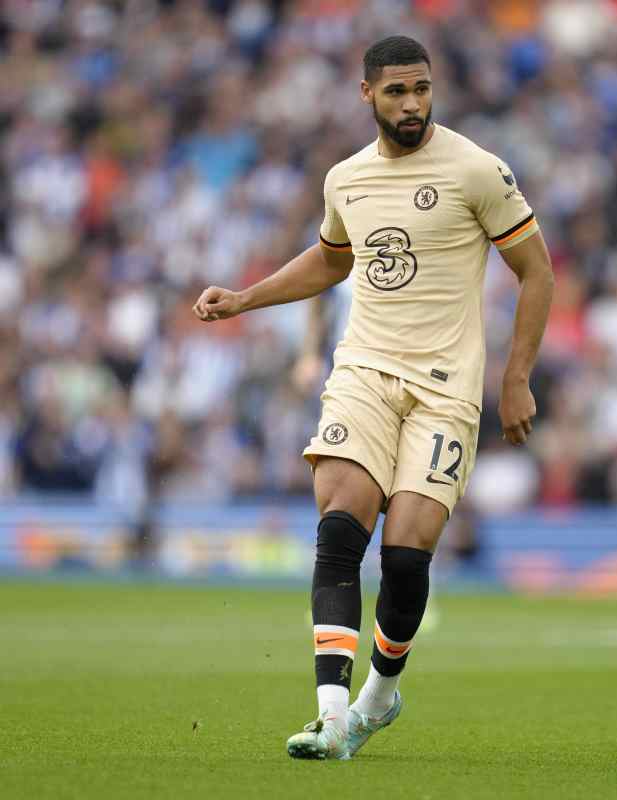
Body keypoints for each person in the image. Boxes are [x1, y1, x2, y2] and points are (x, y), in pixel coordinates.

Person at [192, 35, 554, 760]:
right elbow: (331, 258)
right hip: (364, 373)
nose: (413, 103)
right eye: (396, 92)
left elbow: (536, 271)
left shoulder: (477, 170)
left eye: (421, 88)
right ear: (368, 96)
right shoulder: (346, 180)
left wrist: (515, 376)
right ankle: (330, 716)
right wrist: (244, 299)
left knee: (407, 558)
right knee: (338, 526)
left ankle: (380, 697)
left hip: (446, 389)